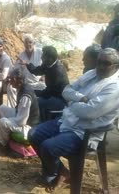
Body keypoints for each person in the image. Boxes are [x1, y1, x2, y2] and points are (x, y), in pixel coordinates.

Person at [28, 48, 119, 191]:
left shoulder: (115, 88)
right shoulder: (91, 74)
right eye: (99, 62)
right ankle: (60, 172)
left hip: (85, 132)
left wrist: (72, 102)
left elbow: (89, 112)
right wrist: (81, 99)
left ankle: (57, 173)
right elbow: (66, 90)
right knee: (33, 134)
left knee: (47, 147)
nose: (100, 66)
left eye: (106, 63)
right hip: (67, 121)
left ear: (116, 66)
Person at [0, 68, 39, 146]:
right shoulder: (21, 87)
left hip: (28, 126)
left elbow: (21, 121)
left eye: (11, 79)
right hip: (21, 117)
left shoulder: (26, 96)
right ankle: (7, 132)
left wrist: (8, 120)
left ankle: (2, 142)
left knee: (3, 121)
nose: (10, 82)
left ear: (15, 79)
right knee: (2, 108)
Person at [23, 46, 69, 122]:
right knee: (33, 95)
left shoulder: (57, 71)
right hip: (51, 93)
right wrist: (27, 64)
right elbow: (37, 71)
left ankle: (37, 123)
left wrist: (33, 92)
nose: (41, 57)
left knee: (36, 101)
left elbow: (49, 92)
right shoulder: (48, 64)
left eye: (43, 55)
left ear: (50, 58)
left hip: (59, 98)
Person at [7, 34, 46, 107]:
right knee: (10, 87)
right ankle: (16, 108)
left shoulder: (40, 53)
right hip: (24, 84)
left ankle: (37, 111)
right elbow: (16, 70)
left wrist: (44, 75)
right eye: (26, 42)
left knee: (45, 87)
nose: (28, 44)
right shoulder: (21, 55)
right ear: (24, 44)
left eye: (30, 42)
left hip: (37, 83)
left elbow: (47, 65)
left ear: (33, 43)